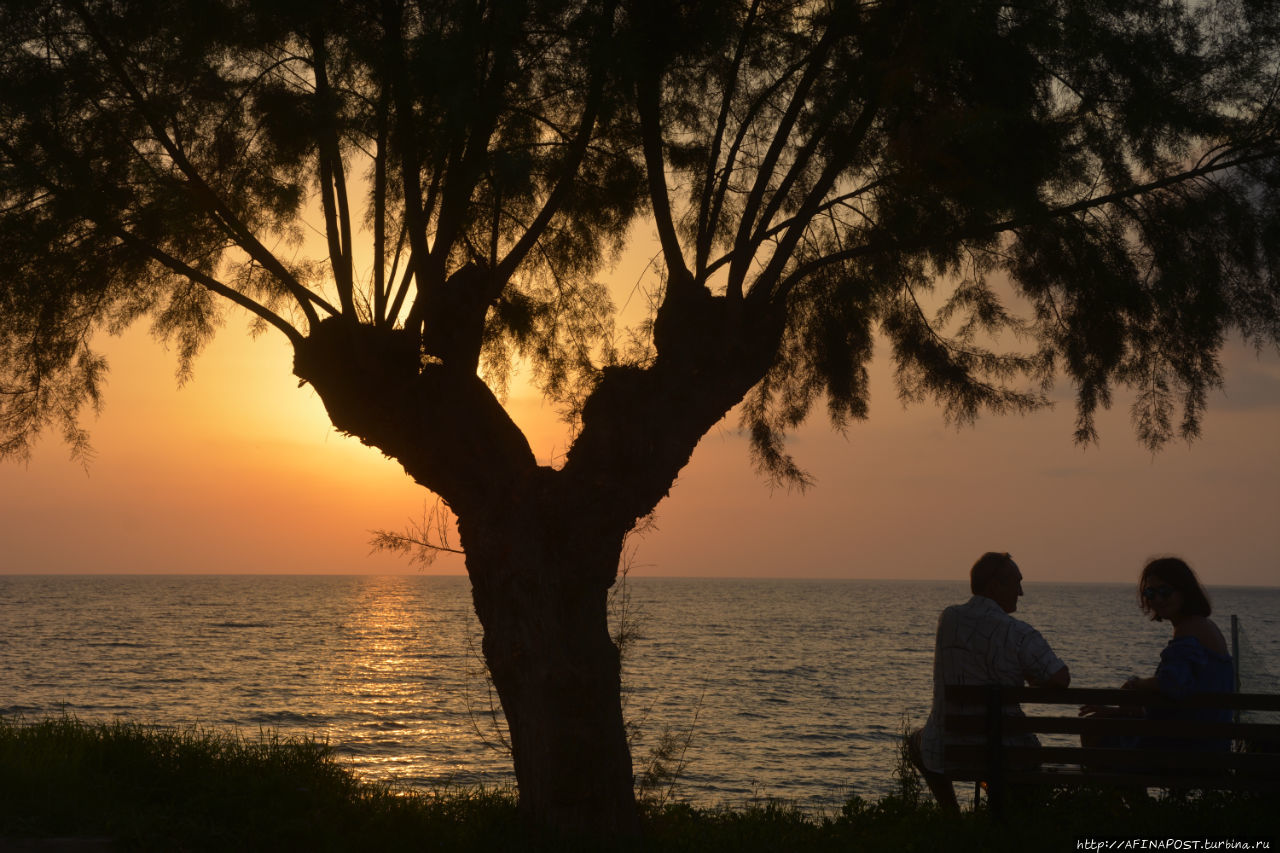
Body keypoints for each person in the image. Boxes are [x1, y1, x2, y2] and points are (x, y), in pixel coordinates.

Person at [909, 552, 1070, 811]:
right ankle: (1003, 810)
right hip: (1008, 751)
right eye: (1017, 583)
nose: (1021, 592)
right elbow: (1061, 679)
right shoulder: (1018, 633)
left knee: (916, 741)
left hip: (949, 747)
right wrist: (1033, 680)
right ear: (995, 586)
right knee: (997, 752)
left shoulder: (948, 619)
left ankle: (952, 818)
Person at [1080, 557, 1234, 753]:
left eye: (1165, 592)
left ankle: (1115, 784)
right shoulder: (1204, 626)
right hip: (1207, 742)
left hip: (1186, 747)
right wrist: (1116, 711)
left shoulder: (1189, 631)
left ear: (1184, 591)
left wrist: (1136, 684)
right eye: (1150, 593)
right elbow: (1180, 701)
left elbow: (1171, 683)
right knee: (1100, 722)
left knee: (1094, 729)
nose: (1157, 599)